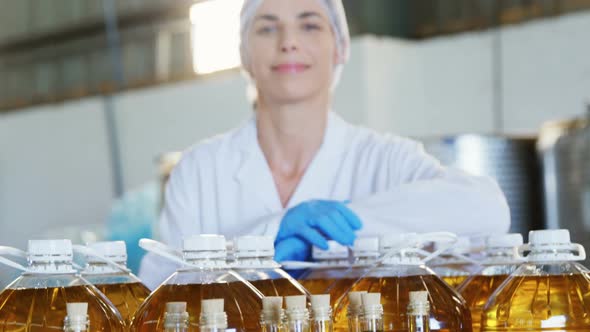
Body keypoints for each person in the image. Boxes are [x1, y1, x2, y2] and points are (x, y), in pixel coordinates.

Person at [138, 0, 510, 290]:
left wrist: (337, 226)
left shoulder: (385, 159)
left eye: (309, 24)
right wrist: (267, 238)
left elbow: (487, 210)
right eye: (267, 28)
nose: (289, 42)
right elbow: (156, 295)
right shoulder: (200, 170)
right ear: (244, 54)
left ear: (340, 48)